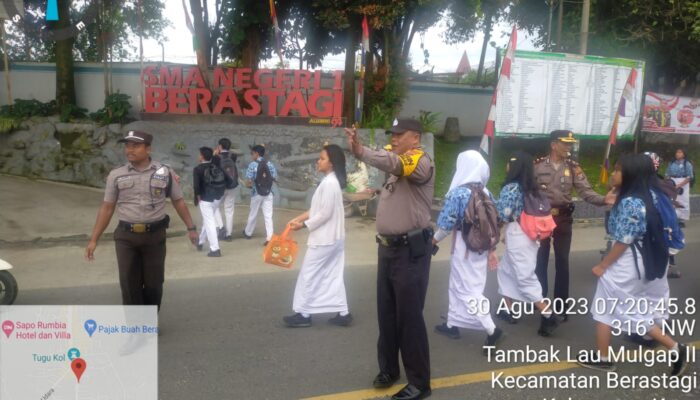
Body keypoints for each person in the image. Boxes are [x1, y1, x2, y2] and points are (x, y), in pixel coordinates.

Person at [345, 118, 434, 400]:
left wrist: (360, 150)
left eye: (399, 134)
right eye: (392, 135)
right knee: (387, 313)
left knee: (409, 318)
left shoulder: (419, 161)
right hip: (388, 250)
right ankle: (389, 369)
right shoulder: (399, 166)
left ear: (415, 137)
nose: (394, 139)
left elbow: (395, 164)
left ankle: (420, 383)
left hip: (409, 251)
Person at [577, 154, 689, 376]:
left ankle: (675, 348)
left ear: (630, 174)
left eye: (618, 170)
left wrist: (603, 266)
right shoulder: (646, 195)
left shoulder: (631, 202)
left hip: (626, 261)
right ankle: (603, 357)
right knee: (610, 308)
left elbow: (624, 239)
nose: (613, 174)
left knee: (620, 310)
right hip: (641, 260)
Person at [85, 130, 198, 308]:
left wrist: (191, 228)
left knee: (154, 285)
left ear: (148, 149)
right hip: (126, 237)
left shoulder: (165, 172)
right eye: (127, 146)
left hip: (155, 237)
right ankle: (137, 327)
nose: (130, 150)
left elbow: (178, 201)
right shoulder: (116, 175)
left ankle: (150, 320)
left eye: (135, 146)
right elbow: (107, 208)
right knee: (129, 285)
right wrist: (93, 239)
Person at [534, 130, 614, 320]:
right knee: (540, 260)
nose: (569, 147)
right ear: (554, 145)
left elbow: (586, 192)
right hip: (541, 218)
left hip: (563, 218)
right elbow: (527, 190)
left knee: (562, 261)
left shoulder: (573, 167)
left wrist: (604, 199)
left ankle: (561, 306)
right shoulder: (537, 166)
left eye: (570, 144)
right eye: (565, 143)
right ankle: (539, 300)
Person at [432, 150, 502, 352]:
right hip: (480, 247)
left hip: (463, 246)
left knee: (466, 290)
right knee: (460, 284)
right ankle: (452, 324)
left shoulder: (458, 193)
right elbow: (494, 223)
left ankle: (492, 330)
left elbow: (446, 224)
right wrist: (492, 250)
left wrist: (433, 242)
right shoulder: (487, 192)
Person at [283, 144, 352, 328]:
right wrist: (299, 218)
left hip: (325, 239)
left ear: (331, 164)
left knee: (308, 274)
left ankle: (304, 314)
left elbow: (325, 213)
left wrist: (304, 225)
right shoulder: (331, 182)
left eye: (322, 158)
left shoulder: (330, 183)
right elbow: (317, 210)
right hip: (333, 239)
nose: (318, 161)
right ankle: (343, 312)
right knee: (332, 274)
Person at [493, 151, 559, 337]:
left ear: (514, 166)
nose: (506, 166)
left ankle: (548, 314)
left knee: (524, 276)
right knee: (506, 270)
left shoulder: (512, 188)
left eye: (509, 163)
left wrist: (496, 231)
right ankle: (508, 309)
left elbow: (504, 214)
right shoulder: (532, 187)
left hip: (518, 235)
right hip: (530, 235)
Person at [194, 146, 231, 257]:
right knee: (208, 219)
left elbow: (196, 186)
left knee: (210, 221)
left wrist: (197, 198)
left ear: (201, 156)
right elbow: (228, 180)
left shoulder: (198, 169)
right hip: (217, 198)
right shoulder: (216, 166)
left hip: (205, 199)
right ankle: (200, 242)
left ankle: (215, 249)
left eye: (199, 154)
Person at [243, 144, 278, 246]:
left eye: (252, 153)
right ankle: (270, 237)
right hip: (268, 193)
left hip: (256, 193)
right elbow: (275, 177)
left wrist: (249, 185)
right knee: (268, 216)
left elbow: (249, 181)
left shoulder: (252, 165)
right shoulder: (270, 164)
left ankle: (248, 233)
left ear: (257, 154)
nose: (251, 155)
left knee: (253, 213)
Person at [212, 138, 240, 242]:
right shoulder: (233, 156)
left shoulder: (216, 157)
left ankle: (220, 226)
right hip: (232, 186)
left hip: (220, 187)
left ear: (219, 146)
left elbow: (213, 170)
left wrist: (214, 155)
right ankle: (228, 234)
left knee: (214, 207)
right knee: (229, 210)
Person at [664, 148, 693, 225]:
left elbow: (689, 177)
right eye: (677, 152)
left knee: (683, 200)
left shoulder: (687, 163)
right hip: (672, 182)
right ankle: (674, 217)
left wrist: (679, 185)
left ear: (684, 154)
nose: (678, 154)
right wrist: (669, 182)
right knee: (673, 200)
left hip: (683, 183)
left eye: (680, 152)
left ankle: (681, 220)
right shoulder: (672, 163)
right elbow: (667, 174)